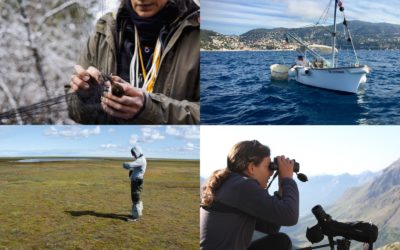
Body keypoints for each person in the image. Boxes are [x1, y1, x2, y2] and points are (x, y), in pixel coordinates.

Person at [66, 0, 200, 124]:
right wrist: (85, 97)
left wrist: (150, 110)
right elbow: (73, 108)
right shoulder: (105, 29)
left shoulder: (199, 33)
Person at [200, 140, 299, 250]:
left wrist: (281, 187)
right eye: (268, 166)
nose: (271, 172)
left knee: (280, 242)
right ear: (252, 168)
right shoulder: (242, 186)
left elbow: (270, 227)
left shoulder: (227, 182)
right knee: (282, 242)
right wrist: (287, 179)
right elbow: (290, 216)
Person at [123, 145, 147, 220]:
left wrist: (124, 164)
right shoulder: (140, 160)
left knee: (135, 197)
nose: (133, 155)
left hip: (136, 181)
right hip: (136, 180)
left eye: (133, 153)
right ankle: (137, 212)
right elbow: (133, 167)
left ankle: (136, 216)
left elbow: (130, 165)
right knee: (136, 197)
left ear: (137, 152)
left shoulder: (141, 160)